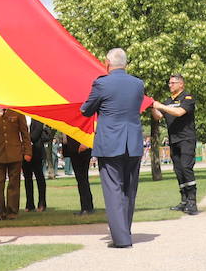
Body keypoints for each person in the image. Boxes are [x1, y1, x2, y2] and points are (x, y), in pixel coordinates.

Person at [79, 47, 145, 249]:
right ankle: (125, 230)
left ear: (107, 63)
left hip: (110, 142)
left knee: (113, 190)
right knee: (128, 190)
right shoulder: (138, 84)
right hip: (132, 141)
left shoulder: (101, 83)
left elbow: (86, 110)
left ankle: (122, 238)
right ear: (125, 64)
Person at [151, 73, 198, 214]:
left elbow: (178, 112)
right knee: (178, 169)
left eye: (172, 83)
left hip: (186, 139)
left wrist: (160, 106)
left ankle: (192, 202)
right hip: (174, 140)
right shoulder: (167, 101)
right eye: (169, 83)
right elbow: (158, 116)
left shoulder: (187, 98)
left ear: (181, 84)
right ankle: (184, 200)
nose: (170, 85)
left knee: (186, 167)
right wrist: (152, 106)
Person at [0, 104, 29, 220]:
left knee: (14, 184)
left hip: (15, 154)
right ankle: (0, 213)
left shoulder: (17, 113)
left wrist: (27, 152)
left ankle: (12, 212)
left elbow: (25, 134)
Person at [22, 116, 50, 212]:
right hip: (24, 151)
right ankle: (29, 203)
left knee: (39, 177)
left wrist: (25, 140)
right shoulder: (20, 116)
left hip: (36, 150)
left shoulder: (36, 117)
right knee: (27, 178)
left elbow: (36, 134)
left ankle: (42, 202)